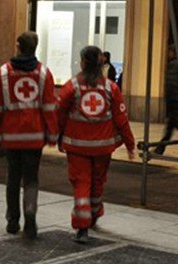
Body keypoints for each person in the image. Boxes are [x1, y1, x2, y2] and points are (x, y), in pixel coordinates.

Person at [57, 45, 135, 243]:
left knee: (82, 183)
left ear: (83, 62)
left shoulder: (72, 86)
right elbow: (121, 118)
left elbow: (59, 114)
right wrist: (130, 144)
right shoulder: (111, 87)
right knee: (98, 181)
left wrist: (56, 136)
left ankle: (82, 228)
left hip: (77, 147)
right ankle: (94, 214)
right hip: (103, 147)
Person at [0, 31, 59, 239]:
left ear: (18, 46)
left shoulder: (2, 74)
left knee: (13, 178)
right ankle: (30, 214)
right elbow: (49, 108)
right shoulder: (44, 74)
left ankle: (12, 220)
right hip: (34, 137)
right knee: (31, 179)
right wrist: (52, 134)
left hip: (12, 136)